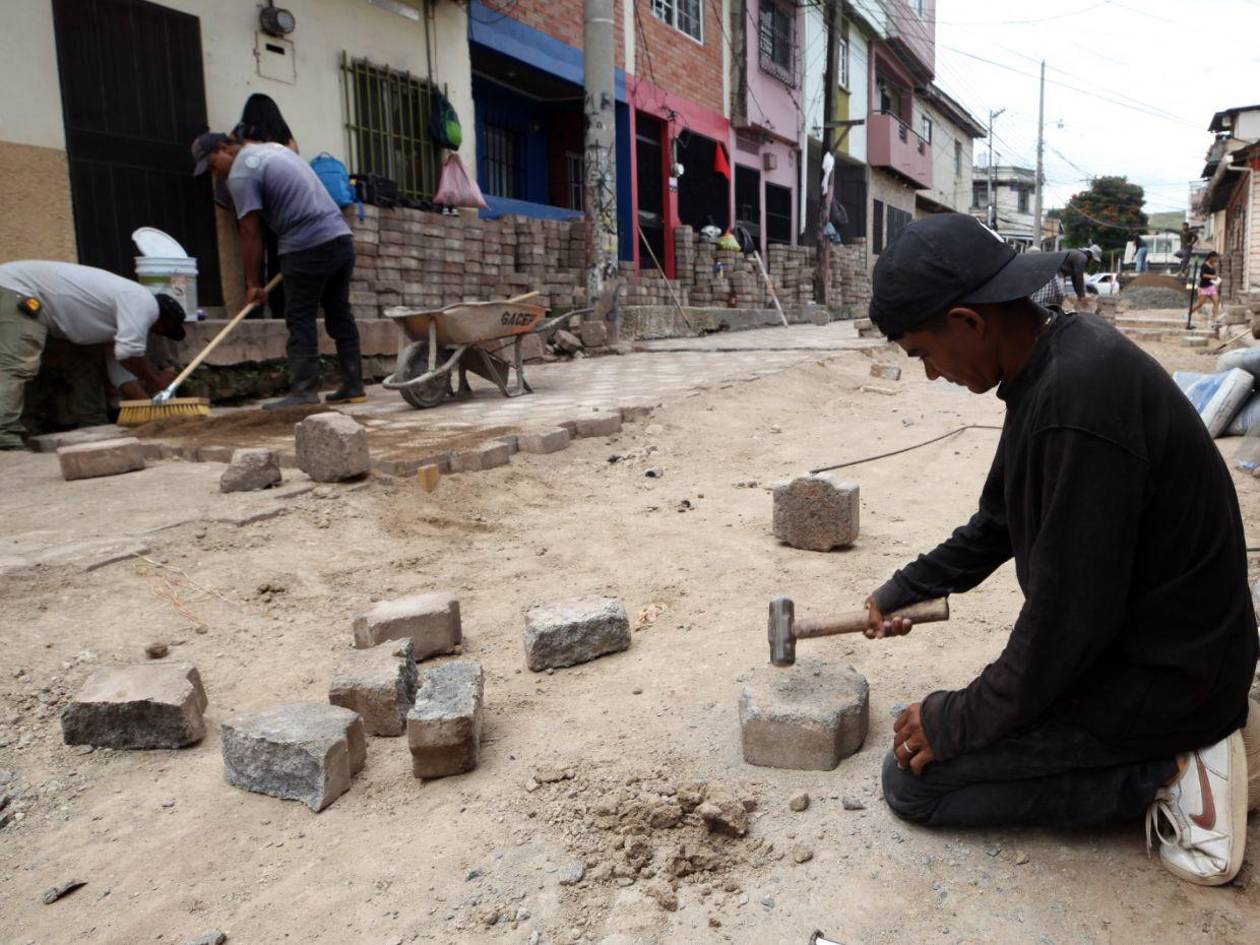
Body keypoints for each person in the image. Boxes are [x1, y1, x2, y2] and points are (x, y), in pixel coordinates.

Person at [864, 213, 1258, 886]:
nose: (930, 375)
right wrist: (900, 589)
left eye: (923, 353)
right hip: (1154, 647)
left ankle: (1169, 770)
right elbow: (996, 525)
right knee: (942, 747)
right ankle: (1166, 751)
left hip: (1174, 678)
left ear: (968, 321)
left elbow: (1065, 626)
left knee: (917, 785)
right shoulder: (1052, 365)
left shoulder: (1077, 397)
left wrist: (955, 718)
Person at [191, 132, 365, 408]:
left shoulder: (240, 174)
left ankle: (304, 391)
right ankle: (354, 385)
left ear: (224, 148)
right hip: (340, 238)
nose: (216, 174)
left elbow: (249, 231)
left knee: (300, 318)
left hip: (305, 243)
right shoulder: (271, 149)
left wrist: (252, 283)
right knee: (339, 312)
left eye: (213, 165)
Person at [0, 261, 187, 450]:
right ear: (164, 317)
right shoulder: (143, 301)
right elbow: (130, 353)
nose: (157, 333)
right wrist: (155, 380)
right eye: (164, 329)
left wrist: (151, 411)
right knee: (16, 365)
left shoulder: (120, 320)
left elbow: (122, 376)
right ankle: (4, 437)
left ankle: (89, 423)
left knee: (83, 361)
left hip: (31, 299)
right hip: (15, 289)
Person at [232, 94, 298, 321]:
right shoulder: (287, 140)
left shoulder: (240, 136)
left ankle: (254, 312)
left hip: (251, 204)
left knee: (253, 259)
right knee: (280, 262)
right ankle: (281, 313)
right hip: (280, 208)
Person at [1030, 242, 1103, 312]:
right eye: (1094, 261)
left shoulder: (1078, 255)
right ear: (1091, 255)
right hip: (1056, 272)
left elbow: (1074, 278)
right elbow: (1079, 278)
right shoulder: (1082, 258)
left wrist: (1080, 295)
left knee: (1058, 296)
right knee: (1058, 295)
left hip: (1056, 272)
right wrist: (1082, 296)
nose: (1092, 263)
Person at [1189, 251, 1222, 322]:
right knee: (1200, 304)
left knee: (1216, 301)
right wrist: (1212, 276)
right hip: (1204, 287)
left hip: (1211, 286)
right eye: (1214, 258)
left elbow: (1213, 275)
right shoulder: (1204, 265)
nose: (1215, 260)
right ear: (1210, 257)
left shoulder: (1213, 265)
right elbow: (1202, 275)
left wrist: (1216, 278)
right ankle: (1189, 313)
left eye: (1216, 259)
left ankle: (1214, 318)